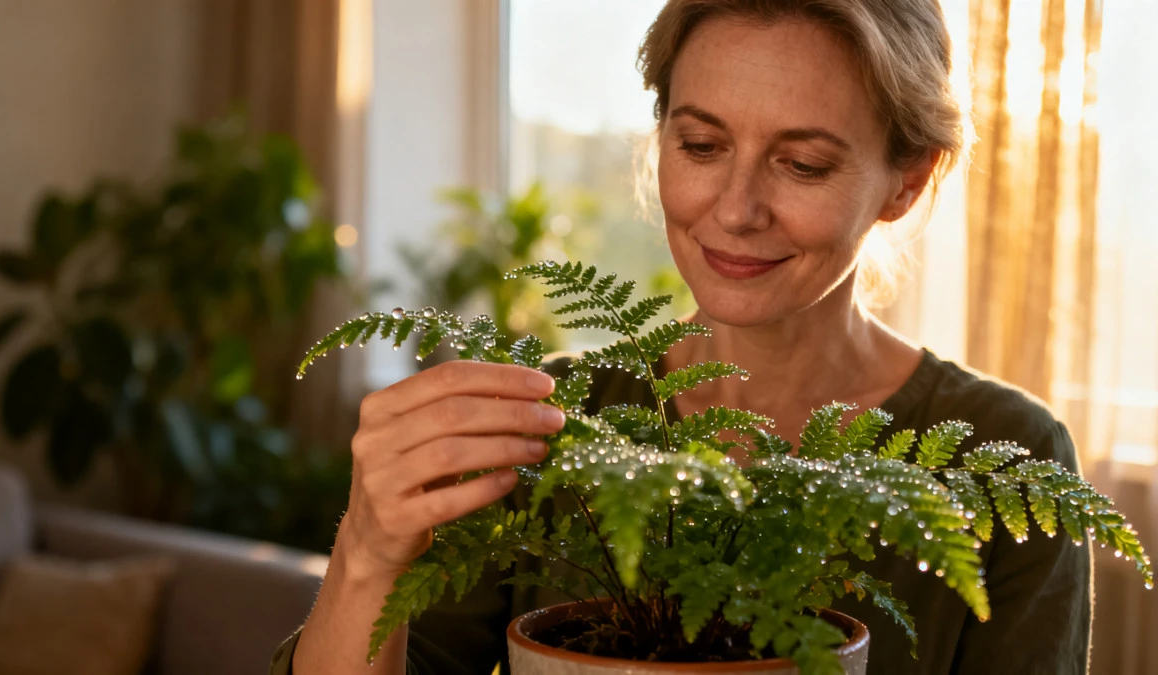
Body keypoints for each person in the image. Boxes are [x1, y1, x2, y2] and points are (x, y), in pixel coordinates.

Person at [273, 1, 1091, 673]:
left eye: (802, 163)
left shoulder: (1010, 459)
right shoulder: (550, 425)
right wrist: (365, 555)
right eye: (701, 145)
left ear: (906, 182)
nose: (735, 209)